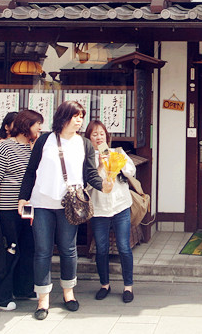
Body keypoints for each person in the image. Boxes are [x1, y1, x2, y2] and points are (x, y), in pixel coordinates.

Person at [18, 101, 113, 320]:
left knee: (69, 249)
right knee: (42, 251)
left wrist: (103, 185)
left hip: (70, 204)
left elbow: (90, 174)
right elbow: (31, 171)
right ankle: (43, 299)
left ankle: (68, 293)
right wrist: (23, 197)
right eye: (75, 116)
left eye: (81, 116)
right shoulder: (45, 140)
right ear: (63, 117)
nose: (80, 120)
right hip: (42, 202)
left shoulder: (84, 144)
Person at [0, 108, 44, 311]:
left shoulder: (33, 147)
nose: (40, 129)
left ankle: (23, 288)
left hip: (27, 207)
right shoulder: (5, 146)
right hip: (7, 208)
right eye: (37, 125)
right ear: (27, 125)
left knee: (27, 248)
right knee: (8, 250)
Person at [85, 120, 136, 303]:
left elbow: (131, 171)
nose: (99, 137)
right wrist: (99, 166)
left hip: (120, 205)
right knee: (101, 248)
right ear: (89, 138)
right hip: (99, 209)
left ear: (107, 136)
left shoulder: (117, 152)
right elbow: (86, 186)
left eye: (101, 134)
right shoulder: (87, 158)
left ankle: (128, 286)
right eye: (94, 134)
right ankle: (104, 284)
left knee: (124, 247)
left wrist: (117, 164)